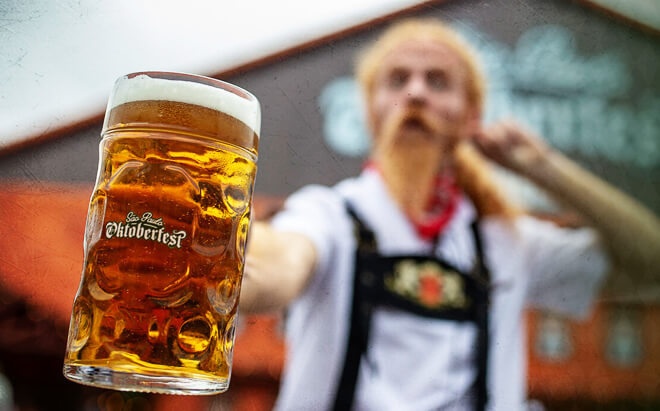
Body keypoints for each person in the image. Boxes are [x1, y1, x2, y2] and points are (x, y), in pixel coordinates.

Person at [239, 19, 660, 411]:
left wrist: (544, 167)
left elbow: (650, 264)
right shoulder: (329, 215)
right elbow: (278, 266)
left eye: (437, 81)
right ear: (371, 110)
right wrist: (230, 263)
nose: (416, 93)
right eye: (397, 79)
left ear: (471, 115)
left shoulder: (510, 242)